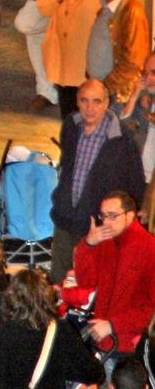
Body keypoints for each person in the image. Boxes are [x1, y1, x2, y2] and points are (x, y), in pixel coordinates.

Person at [50, 77, 145, 280]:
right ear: (77, 101)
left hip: (98, 227)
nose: (90, 108)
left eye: (97, 101)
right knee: (59, 280)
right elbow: (66, 167)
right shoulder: (70, 126)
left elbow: (135, 184)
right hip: (65, 220)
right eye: (84, 100)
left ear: (107, 103)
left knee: (90, 283)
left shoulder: (122, 139)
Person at [62, 188, 155, 354]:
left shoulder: (149, 248)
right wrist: (88, 245)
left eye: (112, 216)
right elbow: (86, 282)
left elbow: (151, 308)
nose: (106, 222)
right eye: (103, 216)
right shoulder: (106, 242)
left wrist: (113, 325)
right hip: (101, 336)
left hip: (129, 343)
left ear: (130, 215)